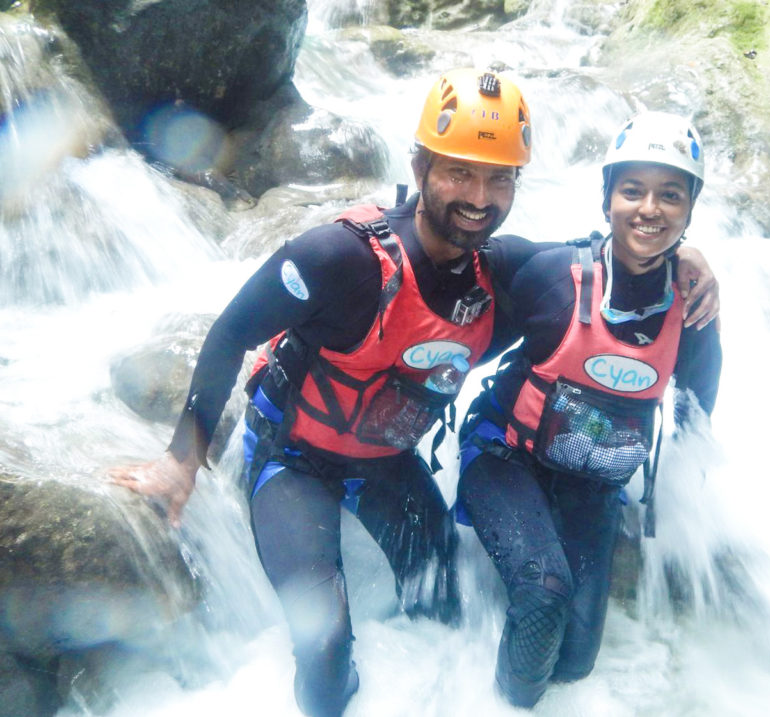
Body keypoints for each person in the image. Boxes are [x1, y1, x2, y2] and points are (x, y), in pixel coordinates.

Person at [109, 70, 719, 717]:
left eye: (499, 177)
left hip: (386, 465)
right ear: (420, 163)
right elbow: (232, 331)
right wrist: (182, 460)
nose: (479, 197)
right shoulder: (340, 258)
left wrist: (687, 259)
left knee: (444, 605)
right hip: (294, 460)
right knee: (323, 642)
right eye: (459, 172)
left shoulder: (500, 270)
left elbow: (599, 261)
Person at [456, 110, 723, 707]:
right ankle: (508, 703)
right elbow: (462, 280)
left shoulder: (693, 310)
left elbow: (696, 419)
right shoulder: (554, 274)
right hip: (505, 454)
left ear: (689, 211)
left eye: (670, 196)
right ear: (607, 200)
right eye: (633, 191)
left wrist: (684, 518)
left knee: (574, 662)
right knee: (545, 595)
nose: (649, 209)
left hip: (594, 483)